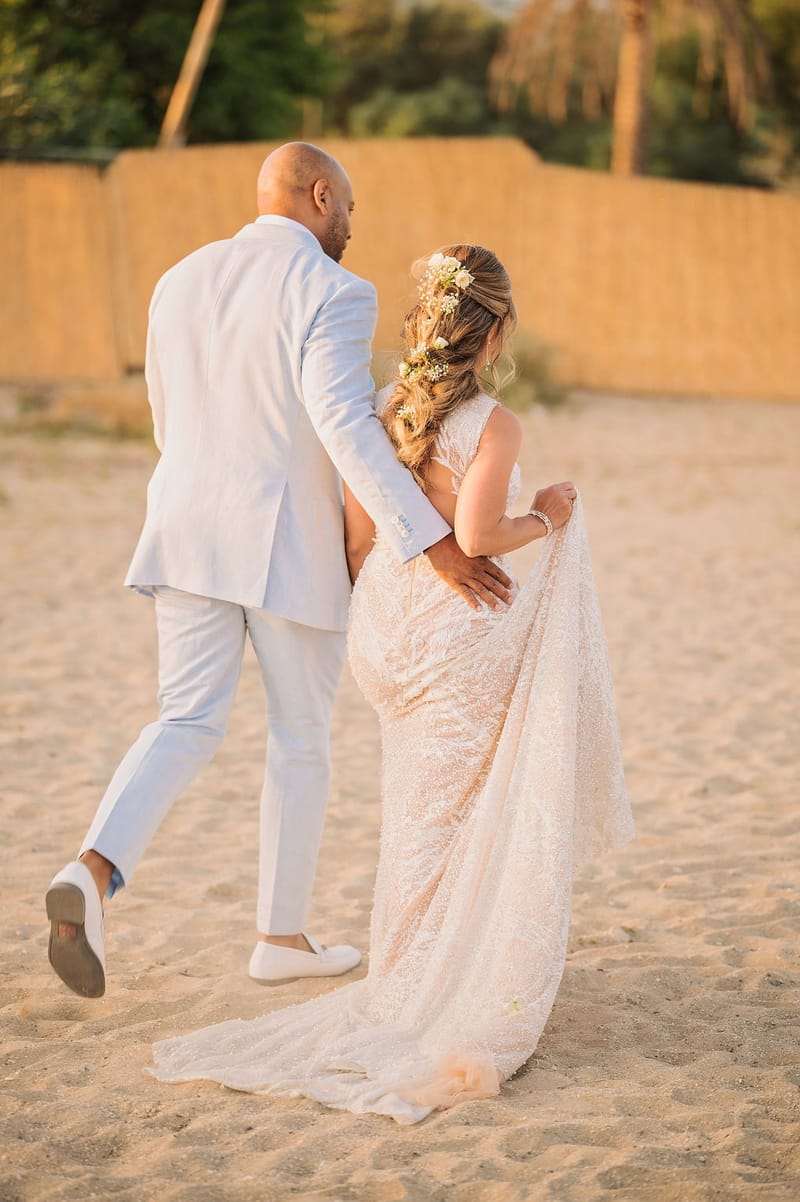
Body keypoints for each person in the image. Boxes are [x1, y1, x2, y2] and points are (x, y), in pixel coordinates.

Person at [150, 245, 635, 1123]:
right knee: (463, 809)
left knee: (416, 812)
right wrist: (548, 516)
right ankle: (432, 984)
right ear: (491, 337)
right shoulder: (494, 424)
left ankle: (409, 968)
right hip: (452, 640)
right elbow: (480, 537)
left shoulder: (384, 410)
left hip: (387, 636)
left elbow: (358, 539)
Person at [45, 147, 514, 1001]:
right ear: (320, 195)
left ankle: (93, 870)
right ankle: (279, 937)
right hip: (284, 546)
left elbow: (165, 416)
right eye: (350, 207)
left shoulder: (179, 278)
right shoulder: (335, 291)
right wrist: (429, 540)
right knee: (300, 735)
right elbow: (342, 422)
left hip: (183, 530)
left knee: (184, 719)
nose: (351, 225)